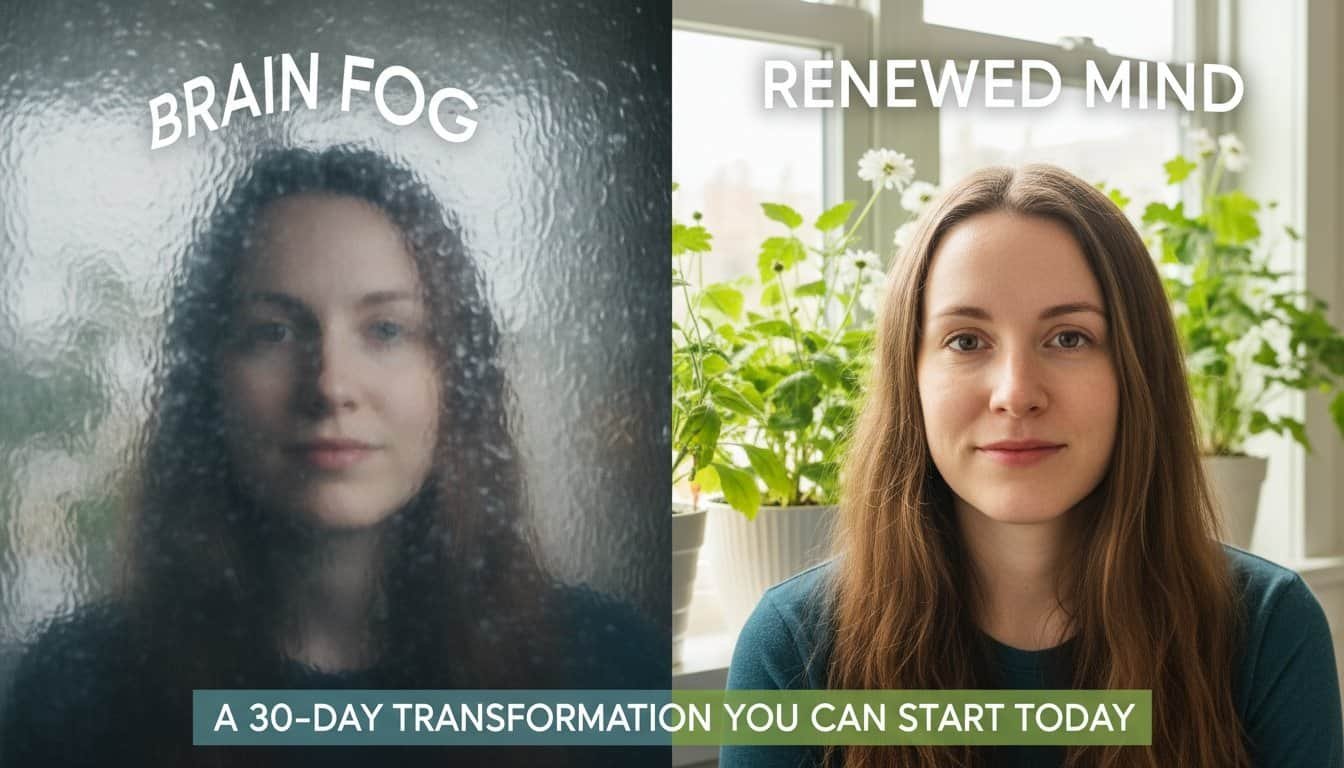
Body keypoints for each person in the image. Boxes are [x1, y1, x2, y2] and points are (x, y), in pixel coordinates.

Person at [1, 146, 664, 767]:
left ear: (455, 378)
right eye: (273, 332)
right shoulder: (77, 690)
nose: (330, 386)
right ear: (206, 382)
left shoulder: (605, 667)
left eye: (386, 329)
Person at [723, 164, 1343, 768]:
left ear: (1137, 372)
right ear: (908, 377)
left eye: (1069, 338)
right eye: (966, 341)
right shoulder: (793, 647)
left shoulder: (1267, 628)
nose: (1016, 392)